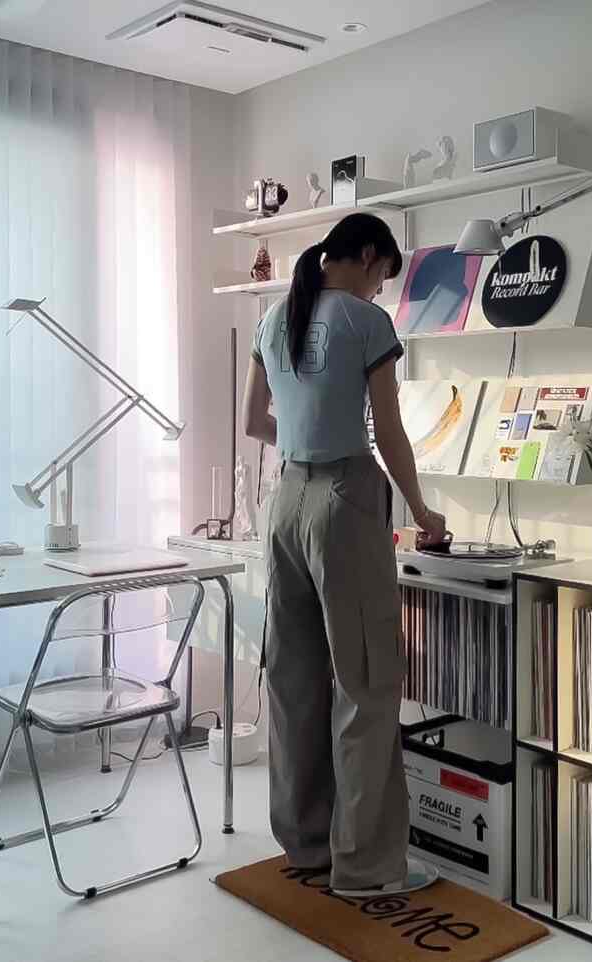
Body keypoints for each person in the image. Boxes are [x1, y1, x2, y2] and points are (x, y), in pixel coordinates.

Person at [242, 212, 446, 897]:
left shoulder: (275, 317)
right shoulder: (364, 324)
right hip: (345, 499)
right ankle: (365, 868)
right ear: (366, 256)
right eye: (383, 276)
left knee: (295, 681)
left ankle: (304, 846)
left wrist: (303, 433)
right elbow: (387, 432)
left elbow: (251, 421)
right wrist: (422, 512)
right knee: (366, 684)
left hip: (286, 503)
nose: (380, 292)